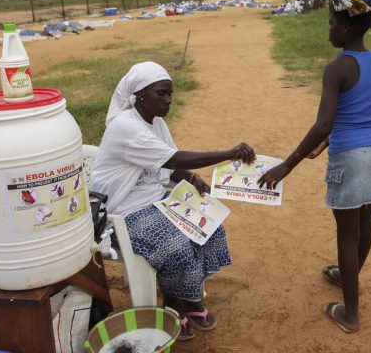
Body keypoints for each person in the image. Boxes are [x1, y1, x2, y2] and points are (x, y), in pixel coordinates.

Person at [257, 0, 371, 334]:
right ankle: (347, 276)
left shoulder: (336, 68)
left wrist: (288, 164)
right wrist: (328, 139)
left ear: (347, 26)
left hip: (350, 158)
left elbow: (326, 121)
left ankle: (350, 314)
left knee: (346, 237)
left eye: (332, 22)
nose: (329, 29)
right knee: (365, 229)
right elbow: (359, 110)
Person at [90, 62, 257, 342]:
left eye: (170, 94)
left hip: (155, 199)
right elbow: (172, 158)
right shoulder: (125, 127)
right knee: (175, 246)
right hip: (123, 211)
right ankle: (172, 307)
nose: (168, 100)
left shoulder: (156, 123)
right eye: (161, 94)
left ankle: (189, 300)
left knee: (209, 226)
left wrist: (190, 178)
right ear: (140, 94)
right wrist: (229, 153)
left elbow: (166, 165)